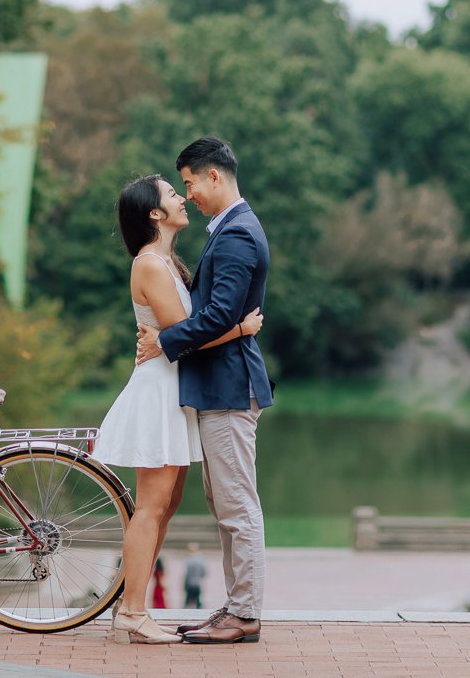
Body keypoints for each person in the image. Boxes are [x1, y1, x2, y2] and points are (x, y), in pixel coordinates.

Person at [91, 172, 264, 646]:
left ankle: (136, 608)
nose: (182, 198)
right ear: (154, 213)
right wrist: (242, 330)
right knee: (150, 508)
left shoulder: (167, 261)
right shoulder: (149, 263)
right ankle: (131, 611)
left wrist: (171, 339)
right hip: (159, 393)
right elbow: (187, 335)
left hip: (177, 392)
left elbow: (176, 335)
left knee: (165, 507)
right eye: (172, 194)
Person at [137, 137, 272, 646]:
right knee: (228, 503)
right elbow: (225, 318)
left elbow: (218, 315)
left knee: (237, 506)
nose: (189, 194)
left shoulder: (237, 234)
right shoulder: (229, 228)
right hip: (221, 386)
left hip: (230, 387)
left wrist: (163, 341)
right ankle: (238, 606)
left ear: (214, 176)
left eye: (190, 183)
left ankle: (245, 613)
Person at [183, 542, 207, 609]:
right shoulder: (201, 560)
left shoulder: (188, 560)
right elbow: (203, 572)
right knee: (197, 601)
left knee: (187, 601)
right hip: (197, 582)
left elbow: (186, 573)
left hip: (190, 582)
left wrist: (184, 584)